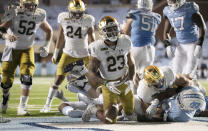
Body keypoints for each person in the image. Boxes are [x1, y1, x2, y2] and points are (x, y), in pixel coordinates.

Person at [41, 0, 95, 113]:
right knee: (58, 79)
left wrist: (94, 54)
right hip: (68, 54)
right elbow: (61, 36)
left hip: (84, 55)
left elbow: (91, 38)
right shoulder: (63, 17)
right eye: (74, 12)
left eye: (79, 12)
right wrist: (56, 52)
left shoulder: (88, 19)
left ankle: (90, 102)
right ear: (69, 10)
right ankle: (47, 105)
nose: (77, 15)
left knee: (90, 81)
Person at [0, 0, 53, 115]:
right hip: (11, 49)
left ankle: (22, 107)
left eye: (32, 5)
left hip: (27, 49)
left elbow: (49, 30)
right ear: (21, 5)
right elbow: (1, 29)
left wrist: (47, 46)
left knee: (27, 77)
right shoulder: (14, 12)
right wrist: (7, 35)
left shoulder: (39, 14)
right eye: (27, 5)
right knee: (6, 82)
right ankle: (5, 96)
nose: (30, 7)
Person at [81, 16, 136, 124]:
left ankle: (115, 107)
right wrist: (106, 83)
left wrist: (131, 79)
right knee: (109, 120)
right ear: (102, 32)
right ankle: (94, 109)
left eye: (114, 28)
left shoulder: (125, 40)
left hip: (124, 81)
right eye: (109, 29)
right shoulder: (97, 47)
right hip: (109, 85)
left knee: (130, 114)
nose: (113, 32)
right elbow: (91, 73)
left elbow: (131, 64)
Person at [134, 65, 206, 121]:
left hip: (174, 92)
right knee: (176, 116)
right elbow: (150, 113)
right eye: (157, 83)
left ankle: (198, 94)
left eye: (161, 79)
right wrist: (158, 110)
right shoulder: (144, 92)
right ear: (149, 84)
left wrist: (178, 91)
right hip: (162, 103)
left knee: (194, 97)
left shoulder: (167, 73)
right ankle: (195, 111)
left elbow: (186, 82)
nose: (161, 84)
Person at [122, 0, 161, 93]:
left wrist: (123, 28)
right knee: (145, 76)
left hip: (137, 46)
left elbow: (125, 31)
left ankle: (131, 96)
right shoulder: (156, 16)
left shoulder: (134, 13)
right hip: (150, 49)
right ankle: (143, 96)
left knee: (130, 73)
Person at [163, 0, 206, 77]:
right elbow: (166, 31)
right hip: (180, 45)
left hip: (193, 44)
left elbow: (202, 27)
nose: (171, 2)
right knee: (175, 72)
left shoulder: (190, 8)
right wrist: (167, 45)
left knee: (189, 73)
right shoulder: (168, 11)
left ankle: (192, 87)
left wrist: (199, 44)